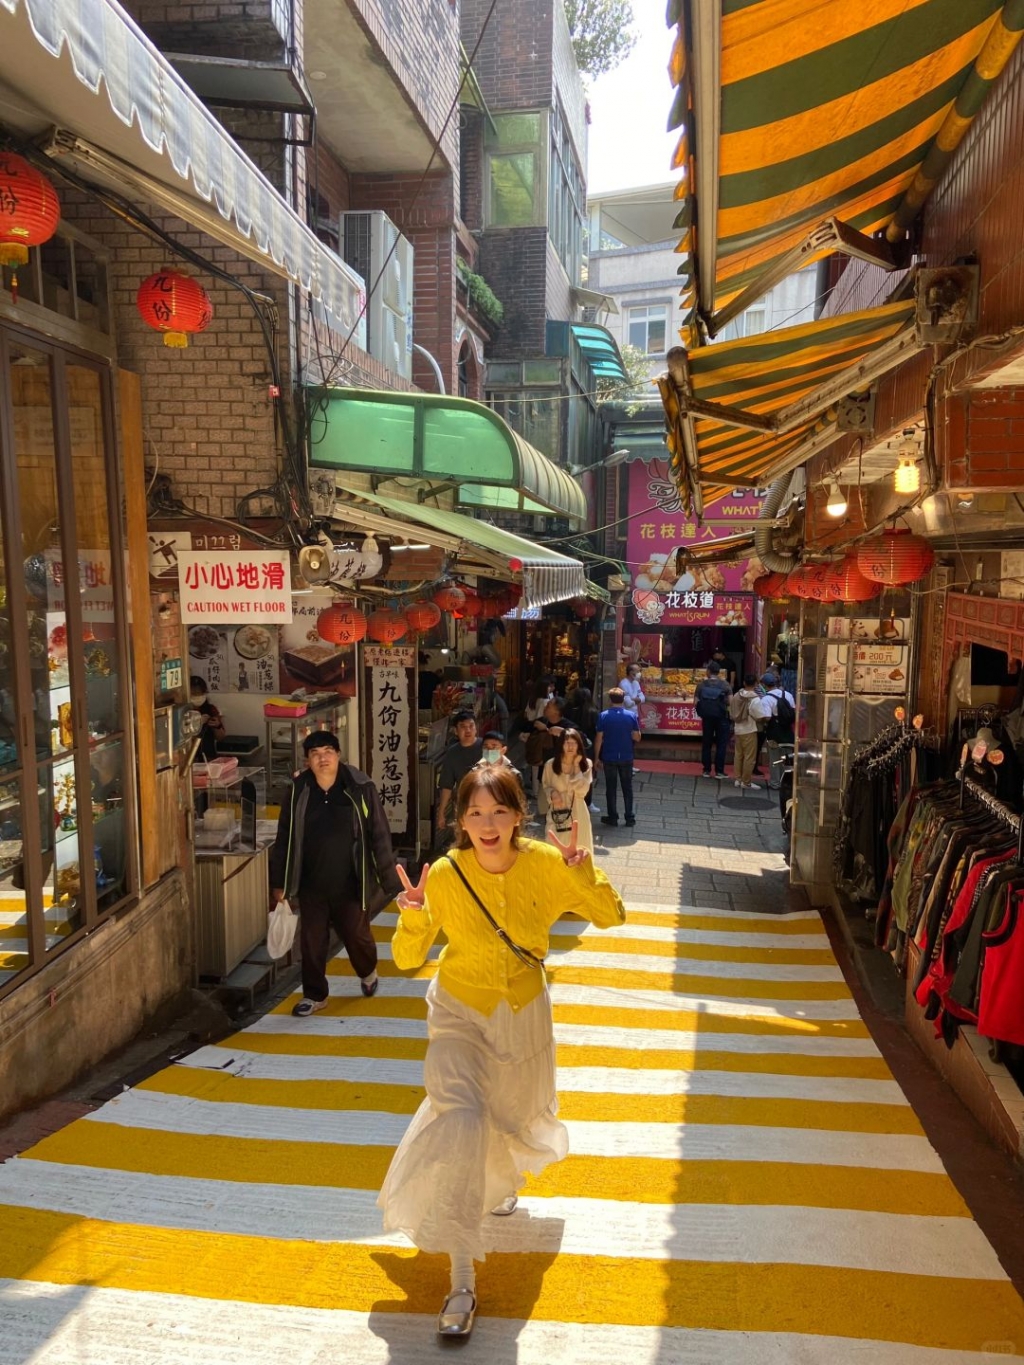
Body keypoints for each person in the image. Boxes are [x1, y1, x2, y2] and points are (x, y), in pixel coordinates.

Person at [378, 765, 625, 1340]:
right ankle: (462, 1280)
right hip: (459, 1015)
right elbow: (407, 961)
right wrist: (413, 915)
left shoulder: (543, 862)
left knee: (508, 1124)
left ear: (519, 815)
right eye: (474, 814)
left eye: (498, 812)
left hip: (521, 1018)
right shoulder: (443, 874)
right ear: (460, 821)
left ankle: (498, 1185)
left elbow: (613, 916)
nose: (487, 825)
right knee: (463, 1122)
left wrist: (585, 874)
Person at [268, 731, 402, 1016]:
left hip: (350, 882)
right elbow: (284, 838)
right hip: (311, 883)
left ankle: (367, 972)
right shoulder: (298, 790)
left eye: (328, 751)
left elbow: (379, 833)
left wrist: (391, 882)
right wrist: (279, 883)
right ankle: (315, 995)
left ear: (339, 755)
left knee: (357, 936)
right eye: (315, 754)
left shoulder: (359, 786)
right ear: (307, 760)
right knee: (312, 941)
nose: (322, 758)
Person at [594, 687, 641, 827]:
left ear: (610, 700)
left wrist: (597, 757)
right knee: (627, 787)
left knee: (611, 787)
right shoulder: (631, 716)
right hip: (626, 755)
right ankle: (629, 817)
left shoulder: (604, 716)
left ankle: (612, 816)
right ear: (623, 699)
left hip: (609, 755)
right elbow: (637, 737)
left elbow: (599, 738)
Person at [542, 727, 593, 852]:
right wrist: (552, 793)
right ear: (561, 745)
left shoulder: (586, 764)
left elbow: (582, 791)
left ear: (579, 745)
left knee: (580, 847)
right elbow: (545, 785)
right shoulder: (550, 764)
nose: (570, 746)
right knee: (554, 847)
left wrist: (576, 766)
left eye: (574, 743)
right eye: (566, 742)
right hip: (558, 810)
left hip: (578, 810)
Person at [435, 711, 483, 847]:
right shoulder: (452, 753)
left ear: (476, 728)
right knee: (466, 841)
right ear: (456, 731)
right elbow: (447, 785)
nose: (468, 730)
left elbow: (501, 770)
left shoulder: (486, 747)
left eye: (471, 726)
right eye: (463, 726)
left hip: (487, 801)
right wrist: (441, 812)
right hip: (464, 805)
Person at [729, 674, 769, 788]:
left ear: (744, 683)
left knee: (738, 755)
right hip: (750, 729)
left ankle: (738, 779)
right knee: (749, 757)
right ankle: (746, 782)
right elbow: (760, 715)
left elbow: (731, 710)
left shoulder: (737, 695)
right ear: (756, 684)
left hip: (738, 729)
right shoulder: (755, 699)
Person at [694, 662, 733, 778]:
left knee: (707, 742)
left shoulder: (701, 685)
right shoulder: (725, 685)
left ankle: (706, 770)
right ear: (719, 672)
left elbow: (695, 702)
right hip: (722, 717)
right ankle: (719, 771)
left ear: (708, 671)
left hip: (707, 717)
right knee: (721, 743)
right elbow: (731, 702)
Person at [189, 675, 225, 761]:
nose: (197, 696)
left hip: (208, 757)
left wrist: (217, 726)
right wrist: (197, 724)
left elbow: (220, 737)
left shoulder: (211, 709)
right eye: (194, 693)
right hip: (190, 758)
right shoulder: (184, 711)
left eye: (200, 693)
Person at [761, 672, 797, 745]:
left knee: (774, 754)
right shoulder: (788, 694)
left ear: (764, 685)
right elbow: (794, 710)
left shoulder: (766, 699)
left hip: (774, 731)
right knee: (788, 753)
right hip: (788, 729)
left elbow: (767, 717)